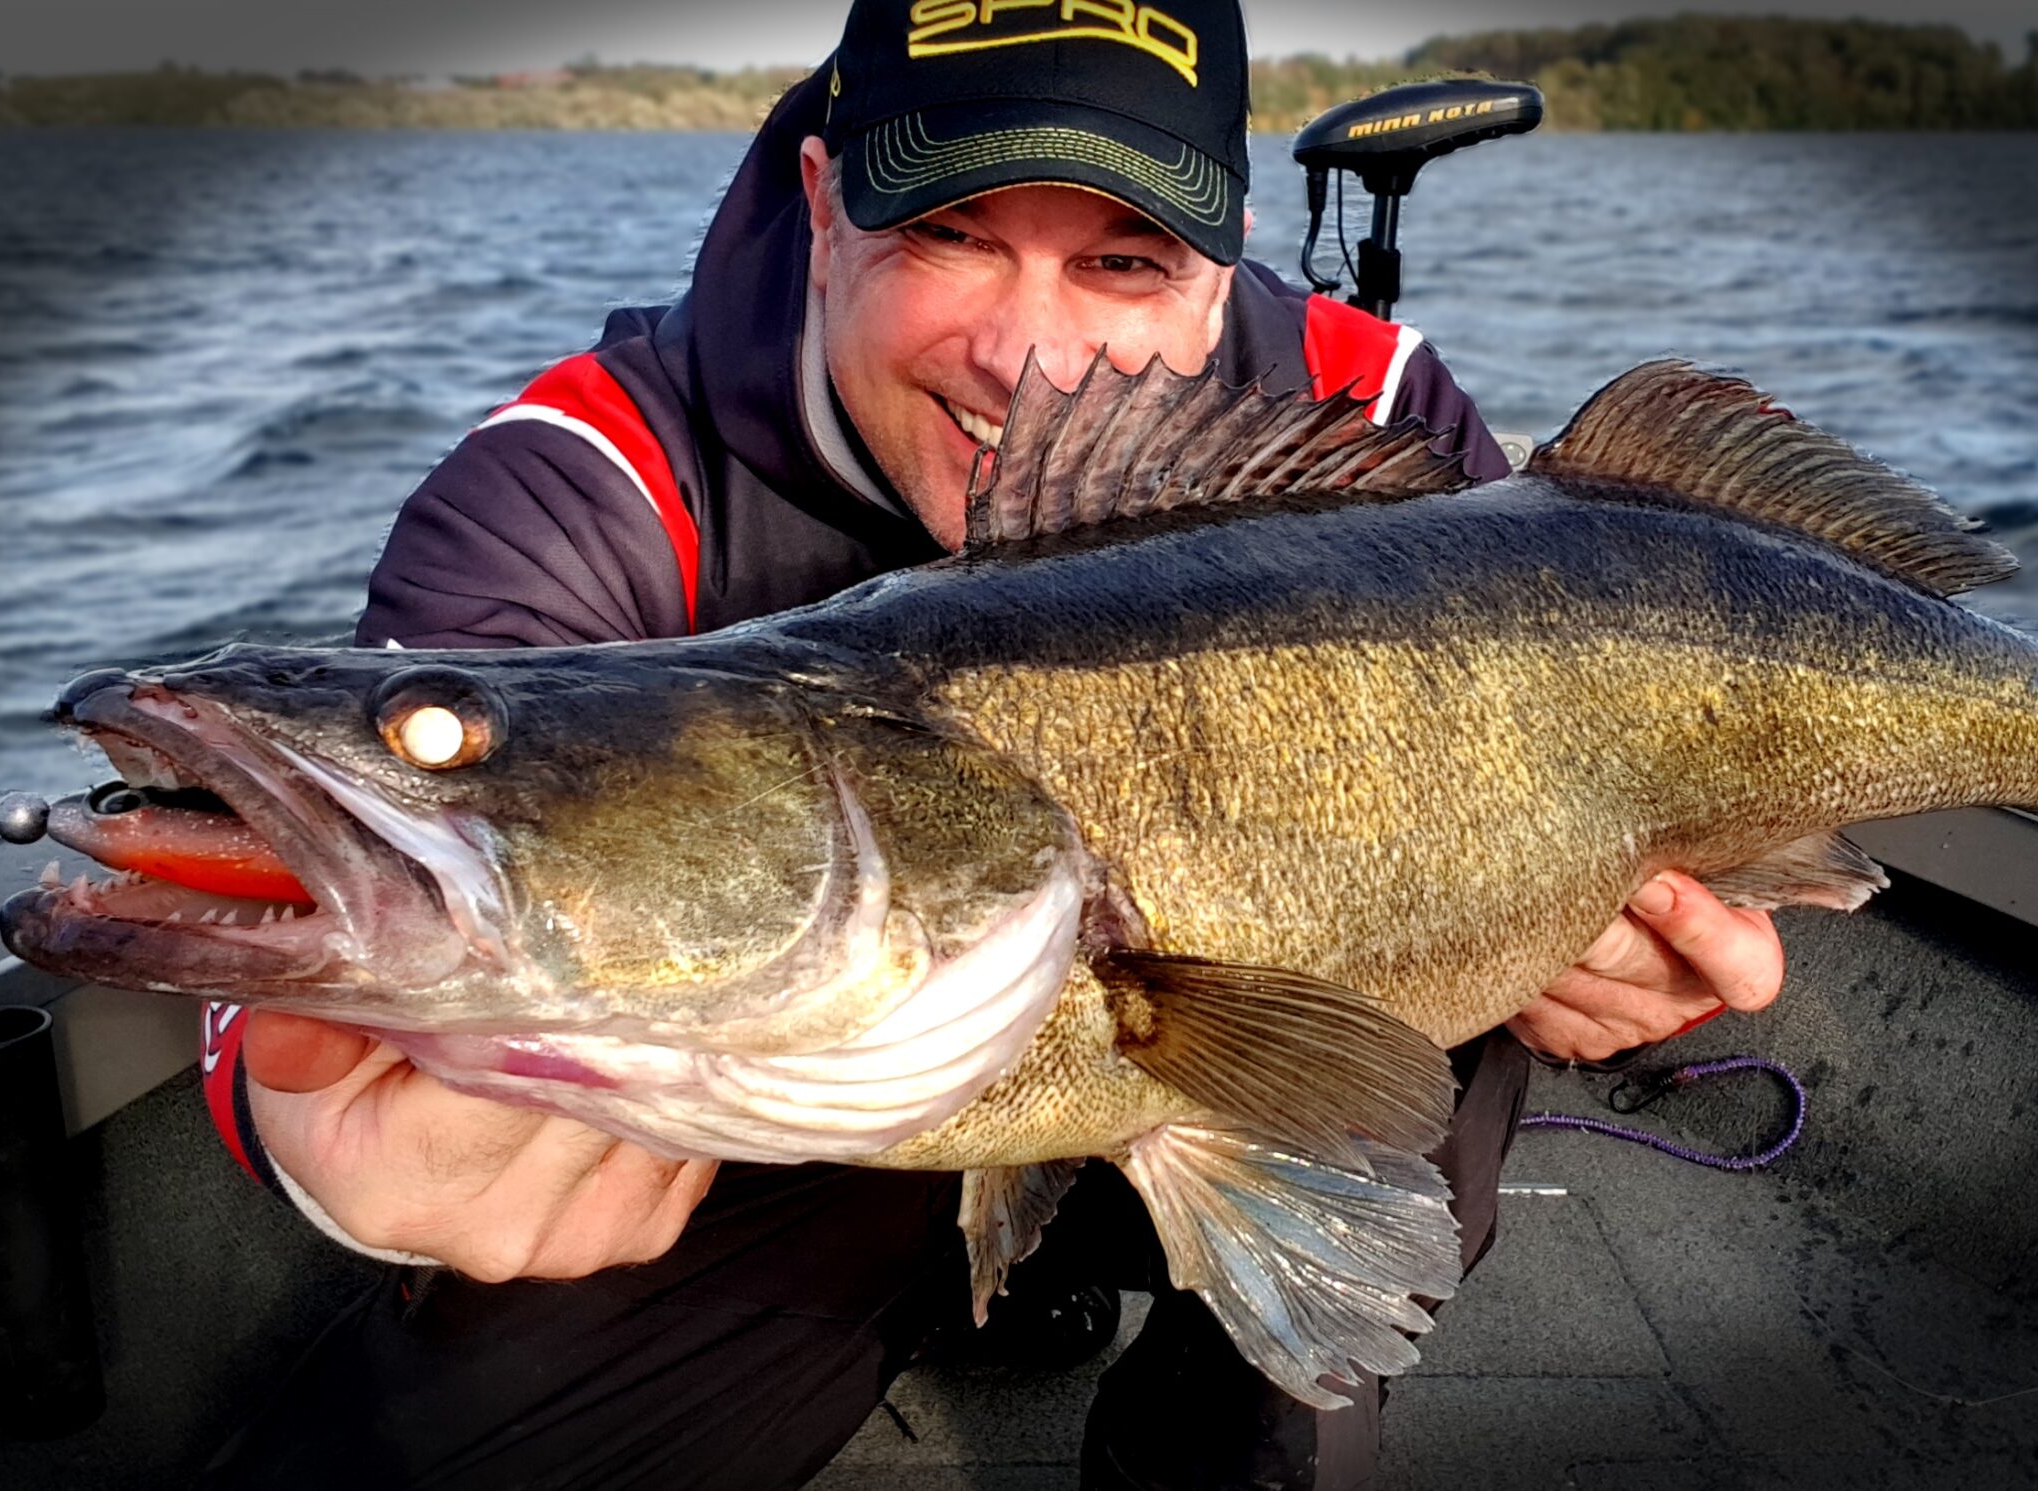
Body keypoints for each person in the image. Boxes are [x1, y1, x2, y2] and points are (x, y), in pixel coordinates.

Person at [199, 3, 1785, 1486]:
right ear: (821, 206)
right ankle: (964, 1269)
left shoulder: (1372, 419)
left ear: (1223, 264)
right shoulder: (582, 491)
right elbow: (403, 812)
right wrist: (321, 1133)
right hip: (791, 1119)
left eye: (1124, 259)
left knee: (1328, 1316)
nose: (1027, 355)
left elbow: (1615, 728)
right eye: (946, 233)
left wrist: (1642, 951)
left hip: (1275, 1059)